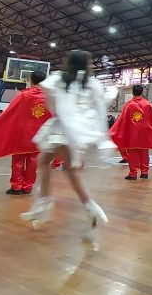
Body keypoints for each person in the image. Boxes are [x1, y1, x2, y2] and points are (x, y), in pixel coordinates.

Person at [20, 50, 116, 238]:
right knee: (44, 161)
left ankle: (90, 207)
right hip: (79, 129)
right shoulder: (91, 84)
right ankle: (45, 203)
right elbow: (99, 107)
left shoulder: (59, 80)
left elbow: (52, 105)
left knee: (71, 171)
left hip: (62, 128)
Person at [0, 70, 53, 194]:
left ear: (31, 80)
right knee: (33, 162)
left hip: (22, 135)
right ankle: (28, 186)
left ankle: (16, 186)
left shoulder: (23, 95)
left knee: (18, 160)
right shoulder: (49, 97)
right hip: (40, 135)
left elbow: (9, 113)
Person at [109, 84, 152, 180]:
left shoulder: (128, 105)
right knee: (144, 152)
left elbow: (122, 119)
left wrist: (115, 130)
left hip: (132, 134)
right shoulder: (148, 104)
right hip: (145, 133)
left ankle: (133, 173)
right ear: (142, 92)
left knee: (132, 153)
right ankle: (145, 172)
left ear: (132, 92)